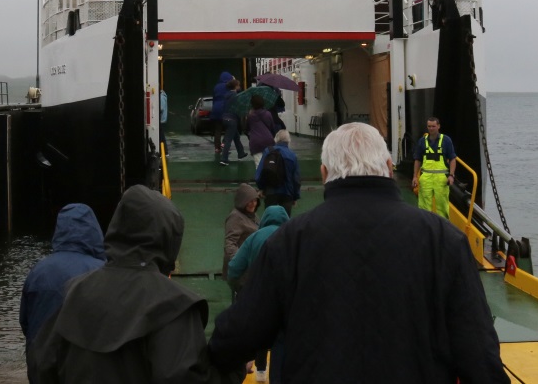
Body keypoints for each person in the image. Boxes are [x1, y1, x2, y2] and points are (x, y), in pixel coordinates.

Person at [208, 122, 508, 382]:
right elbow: (480, 358)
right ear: (390, 169)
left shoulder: (289, 242)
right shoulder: (445, 241)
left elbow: (234, 339)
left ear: (325, 174)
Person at [28, 186, 227, 383]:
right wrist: (231, 372)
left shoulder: (73, 292)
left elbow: (43, 365)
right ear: (170, 238)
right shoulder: (176, 307)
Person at [19, 203, 106, 348]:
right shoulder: (102, 271)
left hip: (41, 361)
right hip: (83, 362)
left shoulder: (38, 271)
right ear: (94, 230)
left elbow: (25, 321)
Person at [226, 205, 289, 383]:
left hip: (260, 298)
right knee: (281, 341)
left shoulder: (254, 238)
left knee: (259, 333)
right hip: (286, 300)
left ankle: (259, 371)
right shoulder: (294, 235)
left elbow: (234, 269)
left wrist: (240, 288)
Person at [411, 116, 456, 218]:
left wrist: (451, 175)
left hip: (441, 180)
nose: (431, 129)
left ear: (438, 126)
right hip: (426, 178)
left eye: (433, 126)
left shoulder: (446, 140)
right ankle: (426, 228)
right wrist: (415, 177)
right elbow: (417, 160)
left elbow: (453, 159)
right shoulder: (422, 141)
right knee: (424, 206)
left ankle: (443, 229)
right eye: (429, 126)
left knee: (442, 206)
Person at [254, 129, 301, 216]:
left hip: (270, 192)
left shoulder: (268, 151)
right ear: (288, 141)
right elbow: (296, 179)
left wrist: (262, 188)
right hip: (287, 193)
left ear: (276, 139)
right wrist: (295, 196)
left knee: (270, 219)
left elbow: (260, 172)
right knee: (284, 222)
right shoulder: (292, 155)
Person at [223, 183, 260, 288]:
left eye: (255, 200)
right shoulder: (235, 217)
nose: (253, 204)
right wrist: (239, 263)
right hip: (242, 272)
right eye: (250, 201)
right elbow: (230, 243)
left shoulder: (252, 216)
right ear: (242, 201)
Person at [219, 78, 247, 166]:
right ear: (235, 86)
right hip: (232, 120)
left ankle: (241, 153)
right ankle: (224, 159)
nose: (239, 86)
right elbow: (239, 108)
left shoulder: (226, 95)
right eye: (238, 85)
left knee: (236, 136)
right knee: (228, 140)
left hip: (225, 118)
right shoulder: (236, 96)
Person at [245, 94, 275, 166]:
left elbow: (246, 129)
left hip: (256, 142)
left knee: (259, 165)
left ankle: (260, 177)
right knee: (270, 165)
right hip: (269, 141)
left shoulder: (250, 116)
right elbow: (272, 128)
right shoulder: (268, 114)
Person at [211, 71, 234, 155]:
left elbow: (214, 98)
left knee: (218, 130)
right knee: (229, 127)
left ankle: (217, 148)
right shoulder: (229, 86)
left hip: (216, 109)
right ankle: (224, 143)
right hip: (225, 108)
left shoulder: (216, 87)